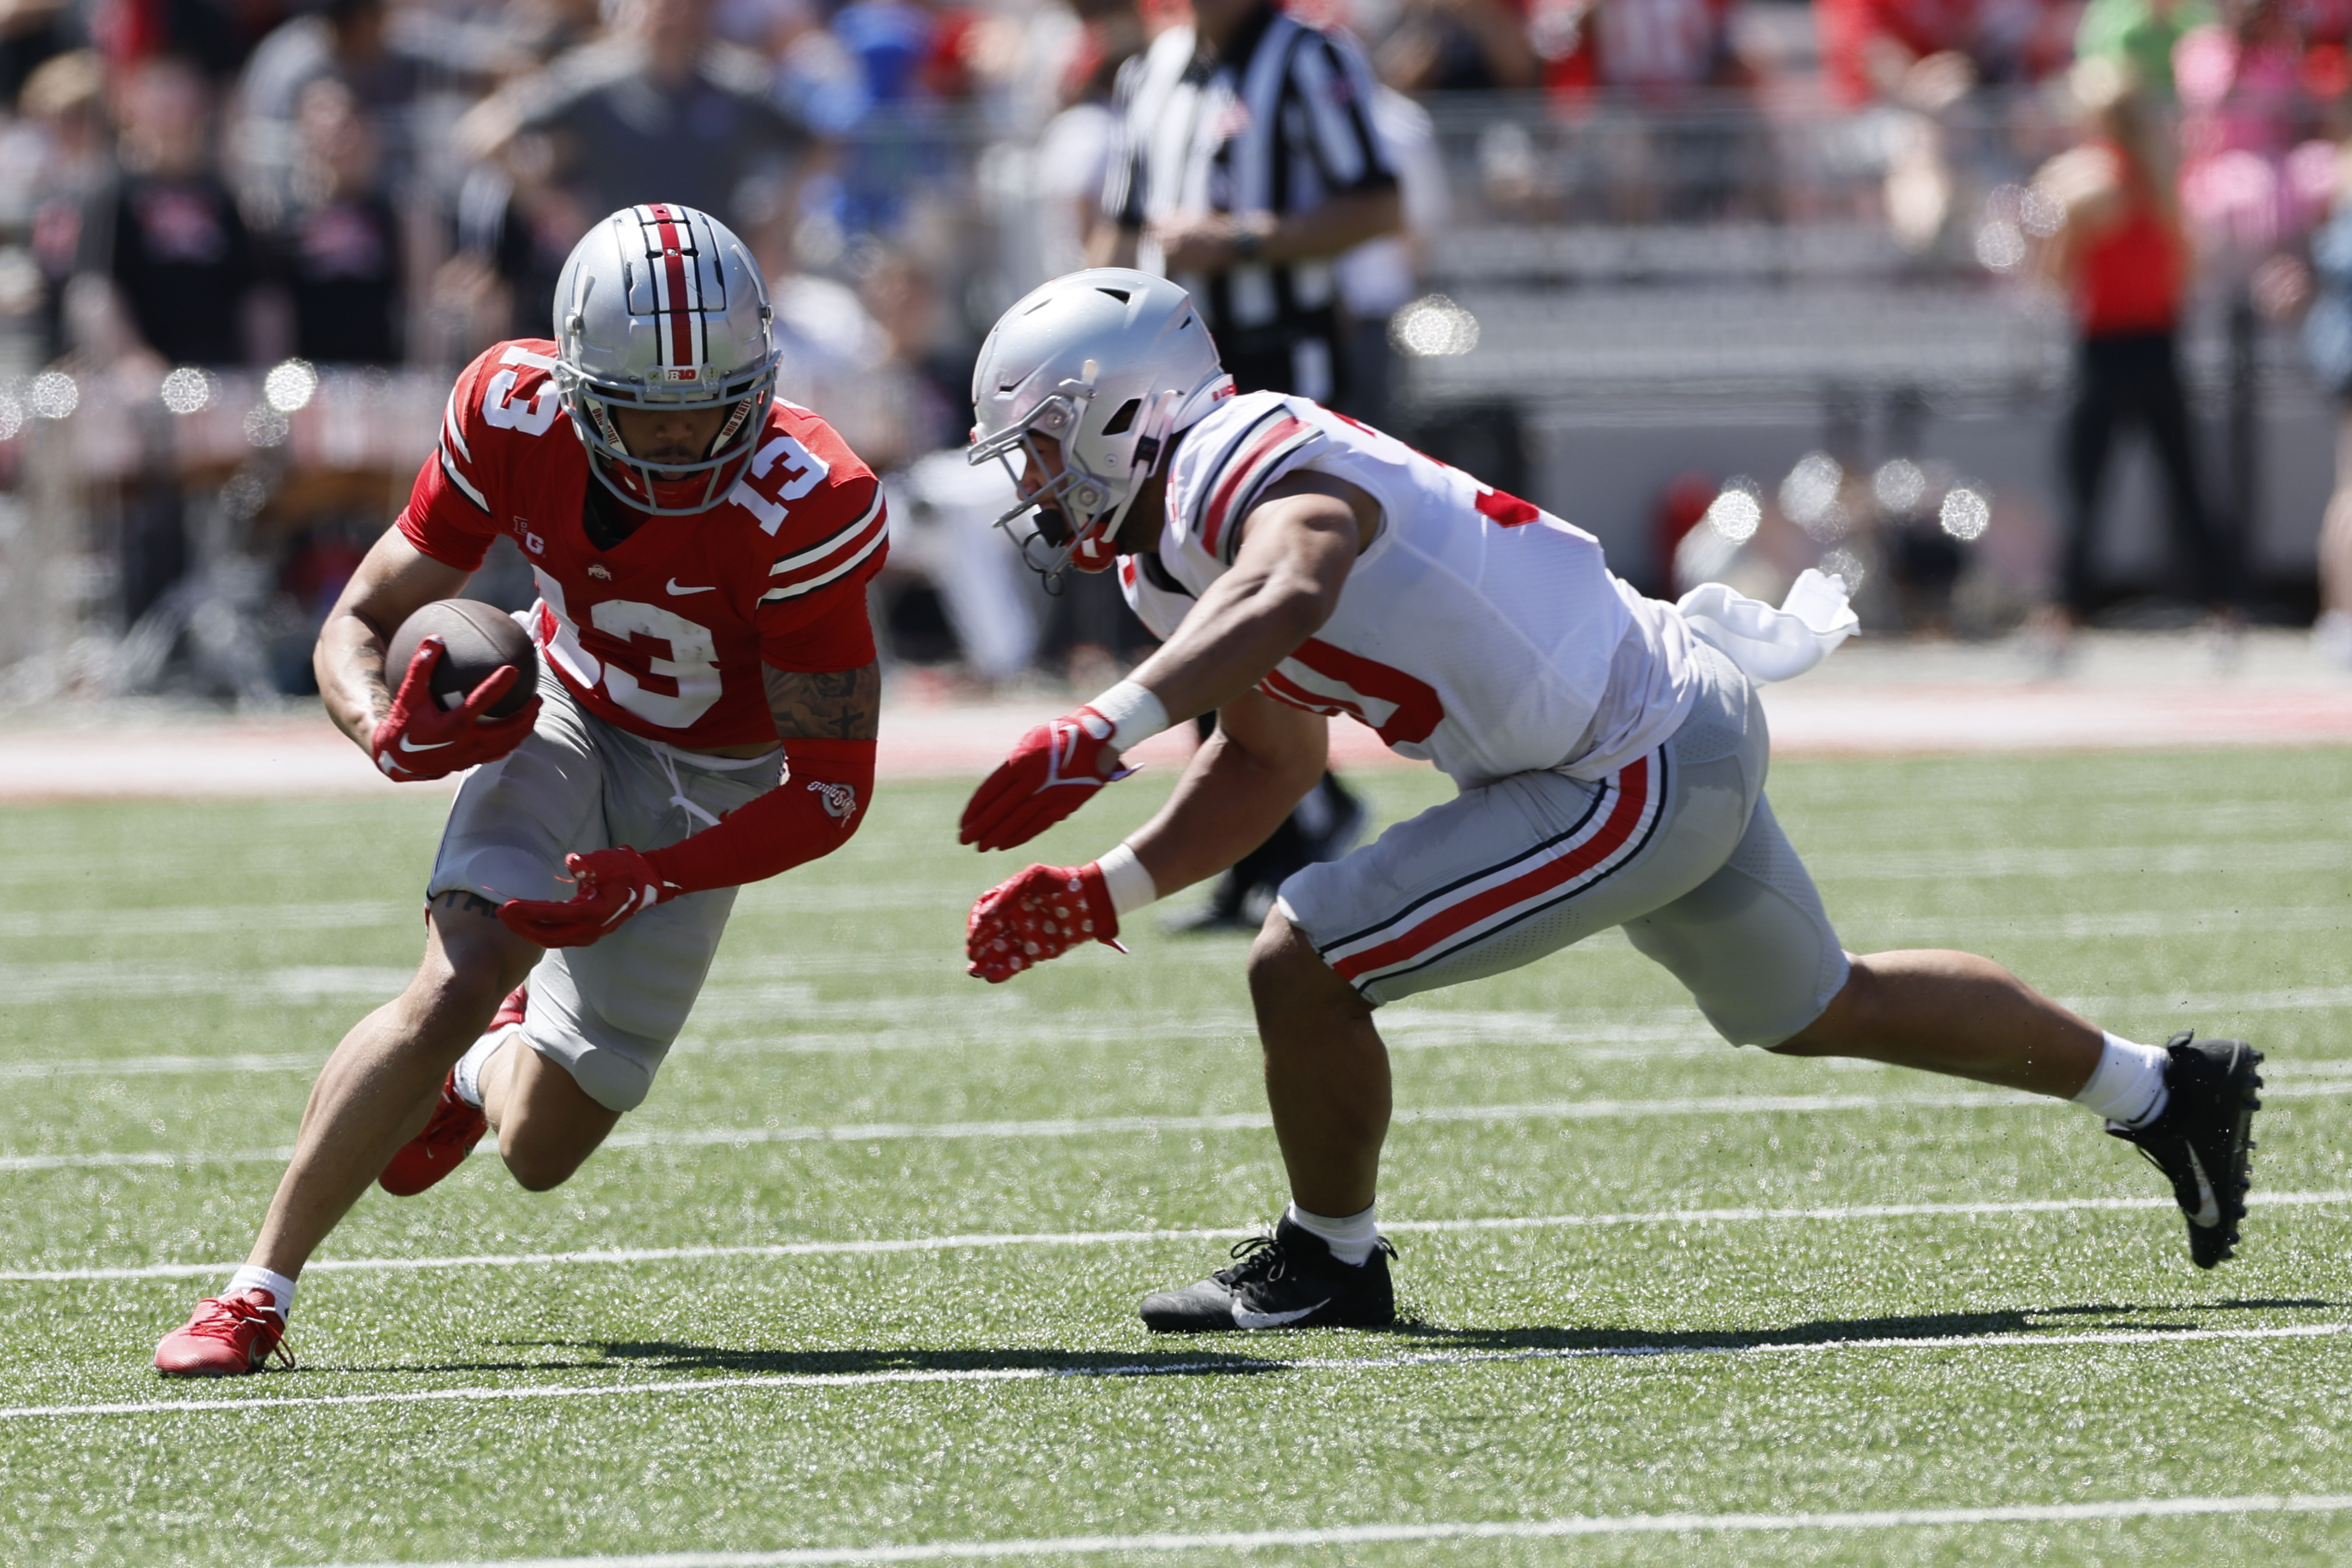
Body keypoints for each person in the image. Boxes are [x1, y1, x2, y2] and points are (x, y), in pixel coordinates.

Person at [954, 269, 2264, 1332]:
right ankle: (2165, 1092)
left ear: (1126, 409)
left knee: (1305, 958)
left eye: (1045, 447)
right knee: (1817, 1005)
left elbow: (1292, 584)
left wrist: (1100, 727)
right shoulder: (1166, 571)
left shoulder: (1236, 449)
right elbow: (1268, 760)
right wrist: (1106, 887)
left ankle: (1331, 1262)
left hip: (1619, 756)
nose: (1032, 486)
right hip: (1651, 722)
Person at [153, 204, 890, 1375]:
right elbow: (363, 616)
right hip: (563, 702)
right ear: (582, 384)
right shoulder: (511, 406)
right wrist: (378, 732)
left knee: (543, 1148)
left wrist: (655, 874)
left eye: (716, 403)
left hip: (718, 781)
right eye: (652, 414)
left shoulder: (813, 502)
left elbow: (832, 795)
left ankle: (481, 1065)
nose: (693, 438)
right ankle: (254, 1295)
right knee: (454, 974)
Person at [1094, 0, 1400, 927]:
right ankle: (1276, 835)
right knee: (1185, 590)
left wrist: (1245, 239)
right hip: (1174, 374)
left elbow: (1378, 206)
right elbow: (1118, 228)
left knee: (1268, 596)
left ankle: (1296, 817)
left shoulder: (1309, 58)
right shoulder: (1149, 70)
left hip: (1282, 362)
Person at [2032, 58, 2233, 642]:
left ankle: (2064, 612)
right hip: (2161, 342)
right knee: (2186, 479)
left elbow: (2053, 279)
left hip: (2105, 347)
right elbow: (2185, 268)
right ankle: (2222, 605)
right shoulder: (2164, 178)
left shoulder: (2084, 184)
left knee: (2082, 482)